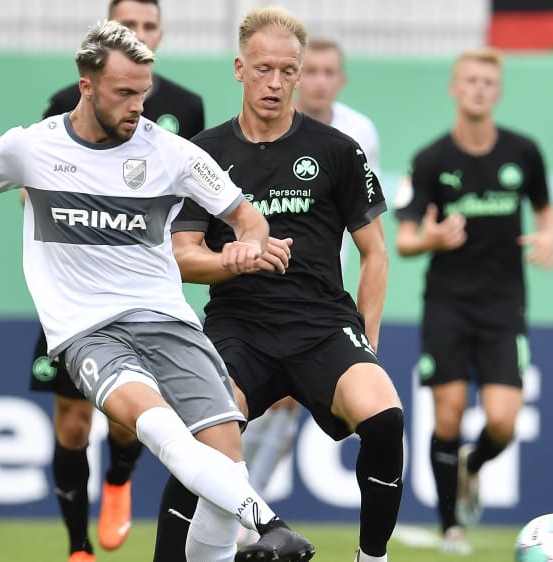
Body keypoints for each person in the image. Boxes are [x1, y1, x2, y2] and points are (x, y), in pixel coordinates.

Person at [0, 20, 315, 562]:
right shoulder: (30, 148)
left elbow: (248, 218)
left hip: (170, 324)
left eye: (143, 94)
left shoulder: (171, 152)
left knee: (226, 474)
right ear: (87, 86)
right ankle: (274, 526)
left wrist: (246, 245)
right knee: (164, 434)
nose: (137, 107)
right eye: (124, 93)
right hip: (90, 334)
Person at [158, 7, 404, 562]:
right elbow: (183, 258)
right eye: (264, 69)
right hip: (238, 326)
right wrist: (234, 260)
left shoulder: (339, 150)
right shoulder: (205, 154)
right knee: (205, 443)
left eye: (288, 71)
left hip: (323, 324)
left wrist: (367, 336)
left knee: (385, 417)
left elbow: (375, 252)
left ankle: (373, 558)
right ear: (240, 69)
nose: (276, 82)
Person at [27, 1, 204, 560]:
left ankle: (120, 479)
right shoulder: (65, 105)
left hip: (140, 295)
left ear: (161, 34)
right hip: (73, 297)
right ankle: (78, 546)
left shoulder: (183, 109)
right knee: (72, 424)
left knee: (128, 421)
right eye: (130, 25)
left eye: (150, 26)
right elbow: (33, 187)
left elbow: (197, 199)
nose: (141, 33)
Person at [394, 47, 553, 555]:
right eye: (470, 80)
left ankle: (475, 464)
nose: (479, 88)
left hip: (504, 305)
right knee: (447, 416)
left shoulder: (524, 152)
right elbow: (403, 240)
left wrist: (548, 236)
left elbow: (546, 212)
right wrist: (432, 239)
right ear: (454, 88)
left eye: (488, 81)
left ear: (499, 91)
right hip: (447, 302)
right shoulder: (429, 160)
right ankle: (451, 528)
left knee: (503, 420)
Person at [238, 35, 383, 525]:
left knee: (290, 404)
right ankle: (243, 504)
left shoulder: (356, 134)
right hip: (257, 289)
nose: (318, 81)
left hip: (322, 290)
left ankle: (249, 501)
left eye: (327, 72)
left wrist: (366, 332)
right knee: (254, 401)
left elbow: (368, 231)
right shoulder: (264, 128)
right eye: (312, 70)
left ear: (338, 80)